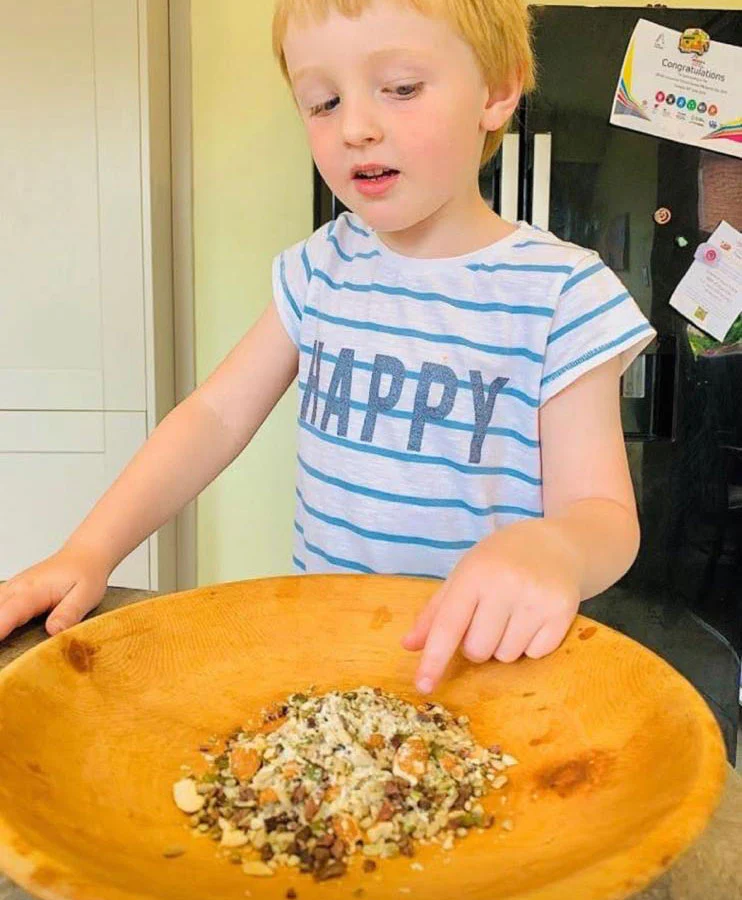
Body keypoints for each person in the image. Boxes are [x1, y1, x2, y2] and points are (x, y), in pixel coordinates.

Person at [0, 0, 654, 696]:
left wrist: (555, 548)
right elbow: (214, 417)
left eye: (401, 88)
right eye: (322, 102)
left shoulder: (562, 295)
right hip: (328, 666)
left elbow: (605, 519)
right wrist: (89, 549)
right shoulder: (319, 270)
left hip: (489, 677)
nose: (356, 128)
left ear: (496, 92)